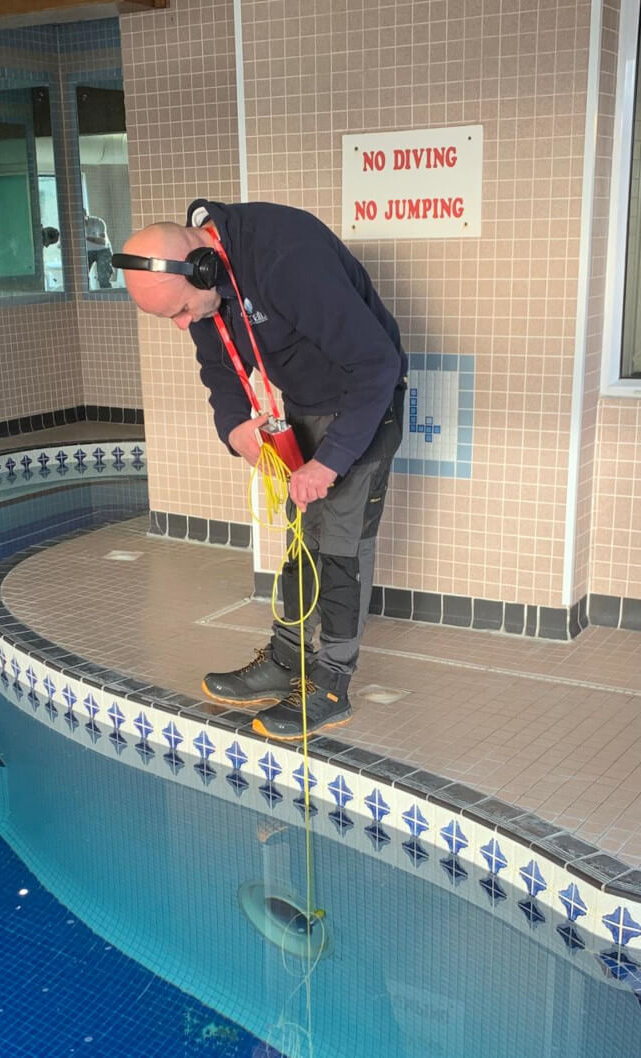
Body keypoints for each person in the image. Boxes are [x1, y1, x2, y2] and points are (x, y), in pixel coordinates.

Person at [113, 199, 406, 740]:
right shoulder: (204, 285)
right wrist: (233, 425)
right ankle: (285, 659)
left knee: (340, 547)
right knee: (302, 544)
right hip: (303, 408)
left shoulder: (285, 257)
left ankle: (333, 683)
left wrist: (331, 459)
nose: (181, 325)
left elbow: (378, 366)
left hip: (362, 405)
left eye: (179, 310)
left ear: (203, 264)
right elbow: (218, 365)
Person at [84, 211, 114, 288]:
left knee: (103, 278)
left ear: (87, 216)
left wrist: (86, 237)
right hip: (86, 251)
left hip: (103, 250)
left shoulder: (98, 222)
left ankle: (107, 297)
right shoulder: (74, 226)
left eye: (83, 219)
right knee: (81, 278)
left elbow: (102, 241)